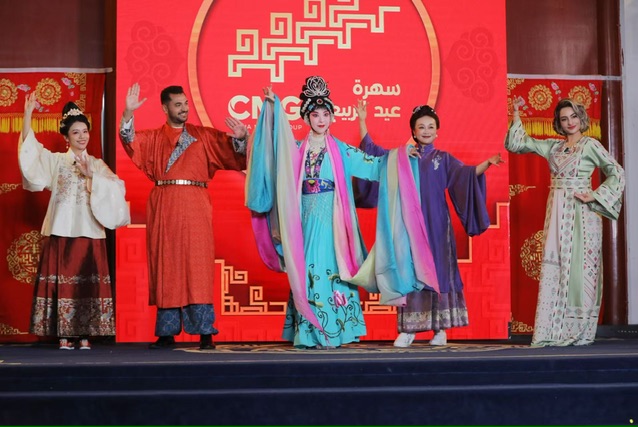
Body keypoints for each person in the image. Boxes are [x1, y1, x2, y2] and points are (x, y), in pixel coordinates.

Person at [245, 76, 389, 349]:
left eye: (325, 114)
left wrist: (402, 159)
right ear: (306, 118)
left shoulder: (342, 150)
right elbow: (272, 154)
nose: (321, 119)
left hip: (334, 221)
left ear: (332, 117)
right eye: (315, 114)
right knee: (307, 267)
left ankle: (337, 330)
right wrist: (272, 109)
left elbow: (375, 165)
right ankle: (310, 331)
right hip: (304, 219)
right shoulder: (296, 151)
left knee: (334, 267)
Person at [353, 101, 503, 347]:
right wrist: (362, 121)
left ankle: (439, 329)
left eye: (430, 127)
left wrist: (486, 164)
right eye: (421, 127)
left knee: (437, 273)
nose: (426, 131)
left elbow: (465, 175)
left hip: (437, 227)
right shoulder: (402, 157)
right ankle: (408, 329)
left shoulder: (443, 159)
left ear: (437, 131)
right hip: (408, 228)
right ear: (413, 131)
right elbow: (373, 155)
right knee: (409, 271)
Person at [119, 83, 248, 350]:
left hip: (195, 203)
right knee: (166, 264)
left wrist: (241, 139)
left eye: (186, 104)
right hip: (164, 203)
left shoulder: (203, 136)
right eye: (178, 105)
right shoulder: (154, 137)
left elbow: (233, 153)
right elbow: (130, 142)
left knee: (198, 266)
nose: (184, 109)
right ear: (165, 108)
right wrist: (128, 113)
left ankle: (205, 332)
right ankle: (166, 333)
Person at [505, 97, 625, 347]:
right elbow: (517, 144)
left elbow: (617, 172)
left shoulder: (590, 145)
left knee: (580, 271)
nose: (570, 122)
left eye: (573, 117)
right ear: (558, 123)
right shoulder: (553, 147)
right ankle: (552, 330)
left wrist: (595, 195)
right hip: (557, 213)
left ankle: (579, 331)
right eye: (564, 119)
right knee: (557, 267)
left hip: (583, 214)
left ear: (581, 118)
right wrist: (516, 113)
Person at [19, 93, 131, 350]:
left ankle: (85, 333)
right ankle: (63, 334)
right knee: (62, 282)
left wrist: (92, 177)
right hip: (61, 231)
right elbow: (30, 151)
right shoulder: (57, 161)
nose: (82, 137)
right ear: (66, 138)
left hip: (90, 231)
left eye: (85, 132)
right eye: (75, 133)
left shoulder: (97, 164)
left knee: (87, 283)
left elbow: (118, 189)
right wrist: (27, 115)